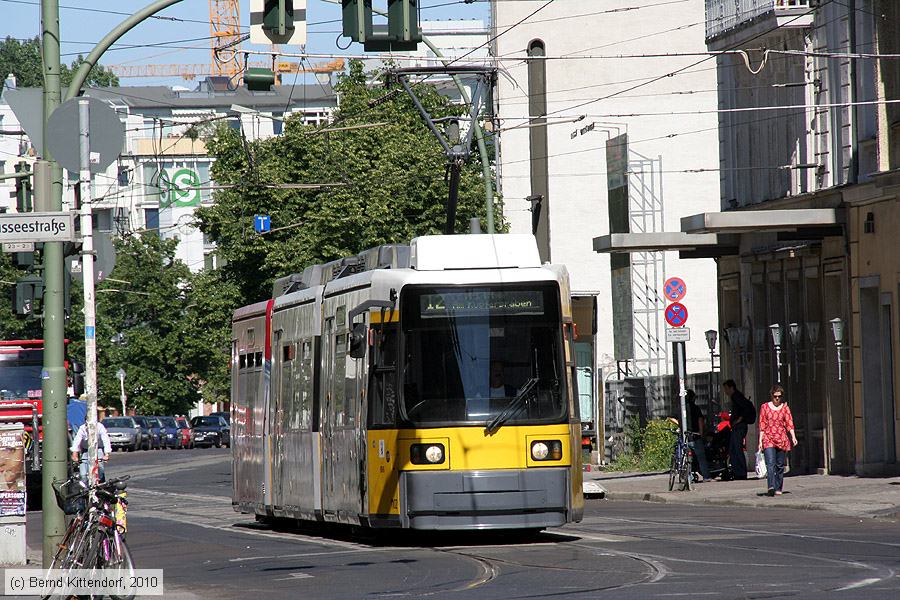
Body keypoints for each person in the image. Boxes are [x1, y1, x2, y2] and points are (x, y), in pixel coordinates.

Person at [757, 384, 798, 496]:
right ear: (771, 395)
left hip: (781, 438)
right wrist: (760, 441)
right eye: (775, 396)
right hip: (768, 438)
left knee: (780, 465)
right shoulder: (764, 407)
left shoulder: (785, 408)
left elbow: (789, 423)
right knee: (770, 464)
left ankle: (778, 487)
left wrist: (793, 436)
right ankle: (771, 486)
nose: (777, 398)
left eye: (779, 396)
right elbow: (762, 425)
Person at [722, 379, 755, 480]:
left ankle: (740, 473)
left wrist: (739, 419)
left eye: (726, 389)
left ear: (731, 387)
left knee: (736, 449)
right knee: (733, 449)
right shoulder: (736, 396)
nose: (725, 391)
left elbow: (746, 408)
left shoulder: (737, 396)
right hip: (737, 426)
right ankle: (738, 472)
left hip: (739, 427)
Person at [685, 390, 711, 482]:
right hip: (695, 436)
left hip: (686, 437)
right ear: (693, 398)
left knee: (687, 458)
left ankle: (689, 477)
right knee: (701, 458)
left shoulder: (682, 409)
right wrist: (701, 432)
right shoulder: (695, 408)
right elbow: (700, 420)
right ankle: (706, 476)